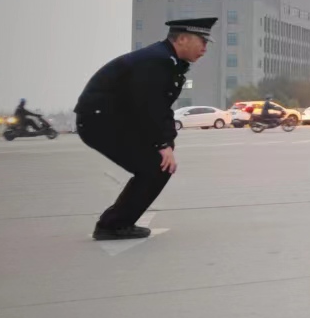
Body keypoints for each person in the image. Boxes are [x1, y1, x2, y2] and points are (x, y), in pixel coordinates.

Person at [75, 16, 214, 239]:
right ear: (182, 39)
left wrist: (166, 141)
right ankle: (112, 226)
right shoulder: (157, 61)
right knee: (156, 167)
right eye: (202, 41)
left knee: (156, 167)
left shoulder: (166, 60)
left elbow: (160, 106)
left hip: (111, 120)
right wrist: (162, 144)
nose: (205, 49)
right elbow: (149, 106)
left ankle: (115, 223)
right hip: (100, 122)